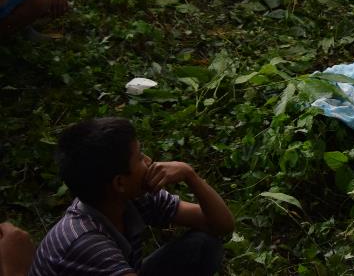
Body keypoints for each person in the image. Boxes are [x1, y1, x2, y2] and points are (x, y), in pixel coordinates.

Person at [30, 117, 234, 275]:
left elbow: (221, 225)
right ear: (119, 182)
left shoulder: (132, 199)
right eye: (139, 157)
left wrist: (190, 175)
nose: (149, 160)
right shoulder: (86, 243)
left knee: (202, 245)